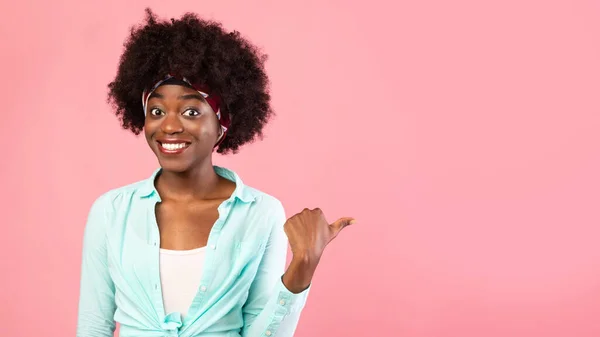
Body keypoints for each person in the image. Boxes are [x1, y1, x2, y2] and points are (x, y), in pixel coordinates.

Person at [76, 8, 355, 337]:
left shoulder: (261, 214)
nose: (169, 125)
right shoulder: (111, 212)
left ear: (222, 124)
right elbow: (93, 327)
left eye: (191, 110)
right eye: (156, 110)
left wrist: (303, 266)